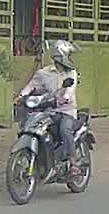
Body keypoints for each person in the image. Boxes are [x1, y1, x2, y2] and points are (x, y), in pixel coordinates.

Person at [16, 39, 81, 175]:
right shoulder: (43, 73)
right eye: (69, 55)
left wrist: (63, 99)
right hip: (48, 111)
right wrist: (21, 97)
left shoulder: (71, 73)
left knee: (65, 130)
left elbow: (69, 91)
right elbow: (31, 86)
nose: (71, 58)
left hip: (66, 112)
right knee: (32, 126)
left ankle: (73, 162)